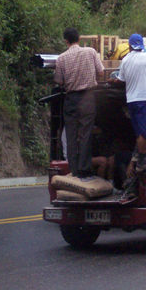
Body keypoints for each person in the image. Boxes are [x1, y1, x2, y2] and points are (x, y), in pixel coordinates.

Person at [54, 27, 104, 180]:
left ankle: (74, 170)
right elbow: (101, 72)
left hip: (71, 99)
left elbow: (59, 81)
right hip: (87, 98)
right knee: (85, 134)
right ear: (79, 38)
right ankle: (84, 170)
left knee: (71, 135)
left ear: (66, 41)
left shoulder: (61, 58)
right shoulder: (90, 52)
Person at [112, 33, 146, 171]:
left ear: (129, 46)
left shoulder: (126, 60)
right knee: (145, 133)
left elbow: (121, 80)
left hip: (132, 100)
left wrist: (113, 79)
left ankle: (139, 160)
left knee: (139, 132)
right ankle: (142, 161)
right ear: (142, 45)